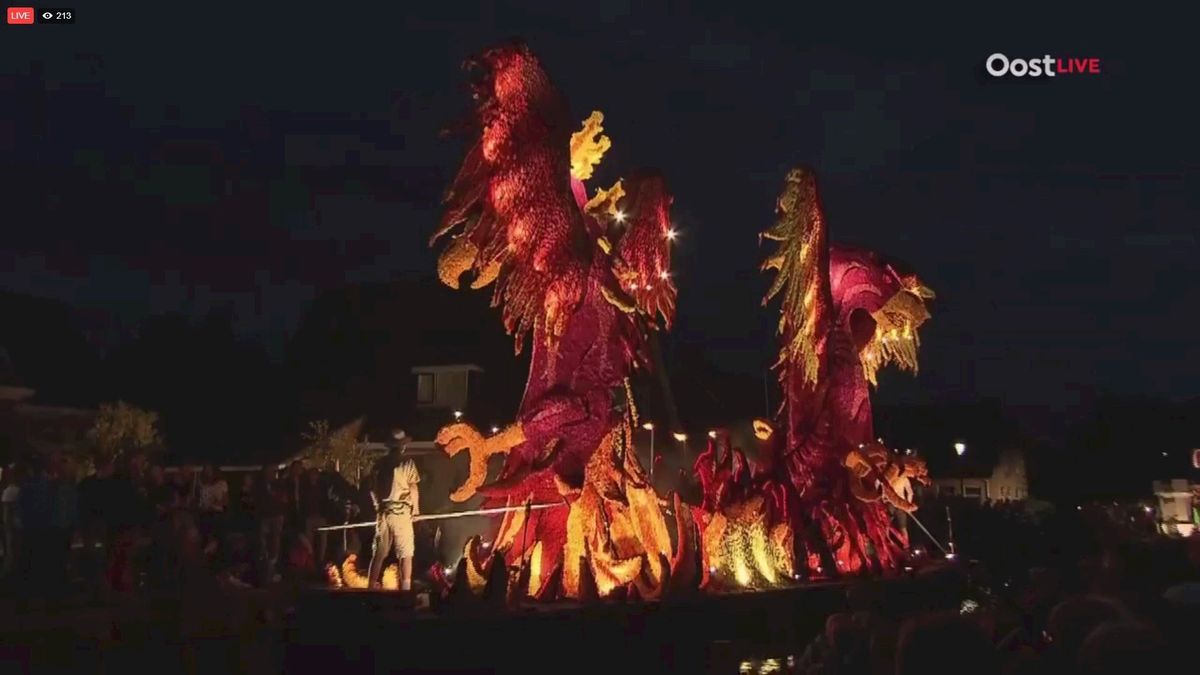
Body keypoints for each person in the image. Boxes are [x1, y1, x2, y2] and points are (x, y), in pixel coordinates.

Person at [367, 430, 420, 591]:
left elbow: (371, 489)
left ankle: (369, 589)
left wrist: (377, 506)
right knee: (405, 553)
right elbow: (413, 487)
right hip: (401, 512)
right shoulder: (407, 462)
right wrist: (416, 510)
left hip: (383, 513)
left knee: (379, 553)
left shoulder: (380, 463)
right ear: (402, 446)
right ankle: (405, 590)